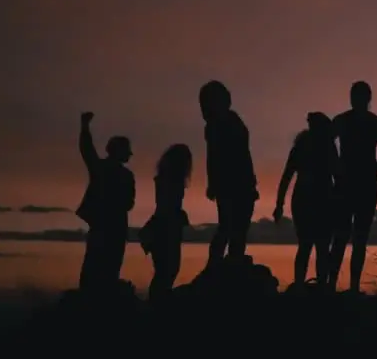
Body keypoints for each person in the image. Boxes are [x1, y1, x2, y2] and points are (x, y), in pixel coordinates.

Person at [329, 81, 377, 292]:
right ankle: (351, 286)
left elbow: (326, 144)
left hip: (349, 183)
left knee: (343, 236)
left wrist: (337, 167)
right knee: (357, 238)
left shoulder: (342, 120)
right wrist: (376, 167)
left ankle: (333, 285)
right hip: (362, 183)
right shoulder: (375, 122)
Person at [274, 112, 340, 287]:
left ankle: (301, 285)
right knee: (320, 247)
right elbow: (338, 175)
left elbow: (287, 176)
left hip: (308, 199)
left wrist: (279, 204)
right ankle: (318, 287)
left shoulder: (302, 146)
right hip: (320, 199)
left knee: (307, 246)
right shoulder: (325, 146)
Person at [199, 80, 259, 265]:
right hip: (231, 182)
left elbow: (243, 153)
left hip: (241, 181)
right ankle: (219, 264)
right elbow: (214, 156)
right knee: (230, 226)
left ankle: (232, 262)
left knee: (236, 228)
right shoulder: (216, 125)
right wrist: (213, 183)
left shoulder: (230, 120)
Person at [76, 111, 135, 291]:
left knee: (95, 267)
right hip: (112, 227)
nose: (129, 155)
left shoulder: (104, 169)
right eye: (126, 151)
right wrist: (85, 126)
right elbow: (129, 203)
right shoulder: (122, 174)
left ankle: (90, 300)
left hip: (106, 227)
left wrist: (85, 126)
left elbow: (86, 149)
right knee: (107, 267)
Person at [139, 143, 192, 304]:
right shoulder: (171, 180)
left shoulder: (164, 178)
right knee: (168, 269)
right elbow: (167, 205)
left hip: (164, 224)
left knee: (164, 269)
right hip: (166, 226)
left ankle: (157, 301)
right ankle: (158, 303)